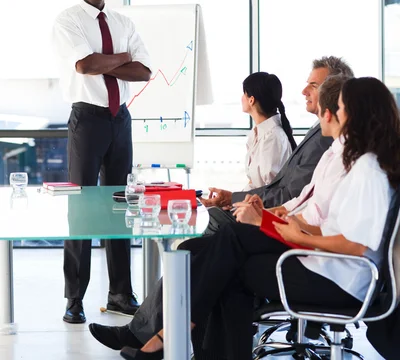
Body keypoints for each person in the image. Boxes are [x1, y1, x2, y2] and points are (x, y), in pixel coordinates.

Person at [89, 77, 400, 360]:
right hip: (320, 263)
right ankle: (172, 337)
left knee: (228, 255)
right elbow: (329, 219)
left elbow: (357, 245)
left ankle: (172, 334)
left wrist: (299, 237)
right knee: (209, 257)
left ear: (356, 115)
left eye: (341, 107)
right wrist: (283, 220)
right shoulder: (350, 160)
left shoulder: (367, 169)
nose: (332, 112)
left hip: (338, 280)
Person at [53, 0, 152, 324]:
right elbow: (84, 66)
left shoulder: (123, 23)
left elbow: (143, 71)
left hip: (119, 119)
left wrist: (107, 60)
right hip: (87, 119)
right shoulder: (69, 20)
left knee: (118, 206)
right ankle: (74, 298)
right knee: (80, 208)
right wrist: (120, 58)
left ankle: (120, 294)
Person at [201, 56, 354, 233]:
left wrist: (247, 207)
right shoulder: (318, 134)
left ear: (333, 93)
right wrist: (239, 202)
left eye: (313, 85)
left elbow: (291, 195)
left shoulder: (323, 141)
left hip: (286, 224)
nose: (304, 91)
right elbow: (293, 195)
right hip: (275, 213)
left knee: (214, 225)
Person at [270, 73, 348, 227]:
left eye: (313, 85)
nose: (304, 91)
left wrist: (266, 219)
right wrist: (265, 214)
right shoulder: (330, 151)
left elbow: (321, 222)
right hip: (293, 223)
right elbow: (304, 199)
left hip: (301, 236)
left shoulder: (338, 153)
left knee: (230, 235)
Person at [239, 72, 296, 191]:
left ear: (251, 100)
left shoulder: (273, 137)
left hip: (263, 207)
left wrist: (233, 200)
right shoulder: (257, 133)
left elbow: (270, 191)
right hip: (252, 203)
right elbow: (254, 184)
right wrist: (231, 200)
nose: (241, 98)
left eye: (244, 93)